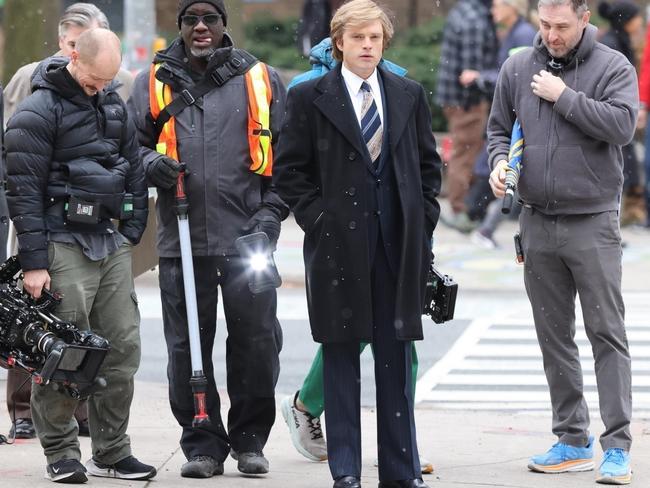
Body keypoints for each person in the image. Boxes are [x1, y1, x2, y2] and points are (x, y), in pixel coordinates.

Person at [274, 1, 441, 487]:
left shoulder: (407, 93)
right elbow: (290, 170)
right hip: (336, 249)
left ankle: (400, 471)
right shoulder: (311, 96)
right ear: (340, 42)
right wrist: (318, 219)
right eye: (358, 38)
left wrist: (421, 218)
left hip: (397, 246)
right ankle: (345, 471)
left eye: (375, 38)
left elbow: (428, 167)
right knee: (342, 359)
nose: (367, 46)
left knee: (396, 363)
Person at [127, 0, 287, 479]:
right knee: (186, 349)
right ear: (179, 26)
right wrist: (147, 164)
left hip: (249, 240)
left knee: (257, 344)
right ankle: (202, 443)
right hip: (181, 240)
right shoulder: (150, 82)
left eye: (210, 19)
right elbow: (125, 148)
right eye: (192, 20)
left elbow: (291, 159)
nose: (201, 27)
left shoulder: (261, 79)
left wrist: (270, 217)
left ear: (223, 26)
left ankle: (250, 440)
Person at [487, 0, 636, 484]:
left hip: (592, 221)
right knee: (554, 337)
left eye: (562, 26)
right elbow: (496, 130)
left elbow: (622, 126)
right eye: (545, 25)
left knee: (605, 334)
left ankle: (617, 447)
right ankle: (572, 438)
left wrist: (563, 95)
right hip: (535, 220)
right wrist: (497, 163)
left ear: (584, 17)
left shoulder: (613, 65)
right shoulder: (516, 66)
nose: (551, 35)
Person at [5, 28, 153, 483]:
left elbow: (132, 162)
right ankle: (62, 452)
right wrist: (33, 263)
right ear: (72, 55)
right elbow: (23, 192)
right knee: (65, 355)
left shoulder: (112, 103)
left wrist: (131, 229)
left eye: (106, 82)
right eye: (92, 80)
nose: (98, 89)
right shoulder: (36, 112)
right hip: (59, 241)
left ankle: (111, 451)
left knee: (122, 349)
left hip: (109, 242)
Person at [466, 0, 537, 249]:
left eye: (497, 5)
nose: (492, 10)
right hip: (517, 115)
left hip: (523, 116)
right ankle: (485, 227)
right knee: (515, 175)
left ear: (512, 7)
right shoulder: (515, 32)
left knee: (518, 175)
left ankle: (485, 226)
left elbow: (517, 76)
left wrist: (481, 77)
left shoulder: (523, 33)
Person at [435, 0, 497, 233]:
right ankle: (461, 210)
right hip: (466, 101)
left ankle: (465, 207)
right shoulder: (474, 19)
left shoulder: (466, 10)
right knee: (465, 154)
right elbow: (471, 74)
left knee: (466, 151)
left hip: (455, 98)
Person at [597, 0, 645, 227]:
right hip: (611, 116)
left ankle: (618, 220)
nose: (640, 22)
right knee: (619, 168)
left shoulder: (619, 40)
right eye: (636, 18)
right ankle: (612, 222)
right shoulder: (612, 44)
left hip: (616, 115)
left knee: (626, 167)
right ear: (625, 21)